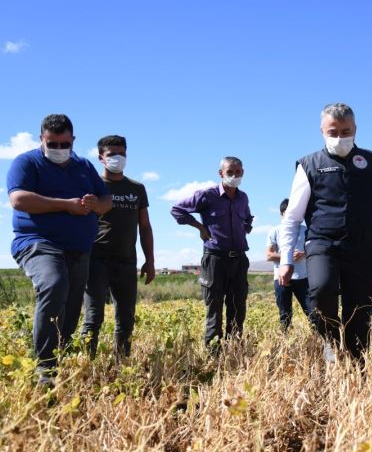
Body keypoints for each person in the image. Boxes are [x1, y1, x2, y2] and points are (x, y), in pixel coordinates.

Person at [278, 103, 372, 362]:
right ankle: (331, 343)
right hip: (322, 244)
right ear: (321, 131)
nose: (339, 137)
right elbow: (293, 217)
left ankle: (356, 367)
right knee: (320, 291)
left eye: (345, 131)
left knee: (360, 310)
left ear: (355, 130)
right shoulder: (309, 164)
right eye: (333, 131)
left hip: (363, 246)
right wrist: (286, 259)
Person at [7, 114, 112, 387]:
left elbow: (106, 201)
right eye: (52, 143)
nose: (58, 149)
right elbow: (19, 199)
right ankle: (45, 368)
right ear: (41, 139)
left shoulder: (84, 166)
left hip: (78, 248)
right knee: (54, 284)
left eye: (64, 144)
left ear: (73, 140)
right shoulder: (27, 162)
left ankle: (59, 357)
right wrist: (66, 205)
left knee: (71, 309)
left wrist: (94, 203)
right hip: (38, 242)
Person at [80, 135, 155, 358]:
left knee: (126, 321)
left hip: (126, 261)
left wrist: (149, 261)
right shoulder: (92, 185)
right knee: (93, 319)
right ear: (101, 157)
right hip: (96, 261)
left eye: (121, 153)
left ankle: (121, 366)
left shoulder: (137, 188)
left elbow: (145, 227)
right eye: (112, 154)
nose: (117, 158)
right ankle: (86, 367)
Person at [171, 157, 253, 350]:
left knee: (238, 307)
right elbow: (177, 209)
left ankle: (233, 350)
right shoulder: (207, 195)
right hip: (216, 258)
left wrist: (245, 227)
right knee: (214, 308)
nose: (234, 176)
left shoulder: (243, 198)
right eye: (230, 172)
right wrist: (199, 226)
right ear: (221, 173)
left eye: (238, 172)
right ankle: (213, 354)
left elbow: (248, 218)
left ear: (243, 173)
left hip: (239, 258)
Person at [266, 198, 313, 331]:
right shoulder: (275, 231)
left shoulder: (306, 230)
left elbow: (315, 249)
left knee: (313, 313)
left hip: (303, 278)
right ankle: (285, 344)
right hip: (281, 278)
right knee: (285, 315)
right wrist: (287, 257)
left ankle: (317, 341)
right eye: (289, 211)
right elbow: (269, 255)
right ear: (282, 213)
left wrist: (302, 254)